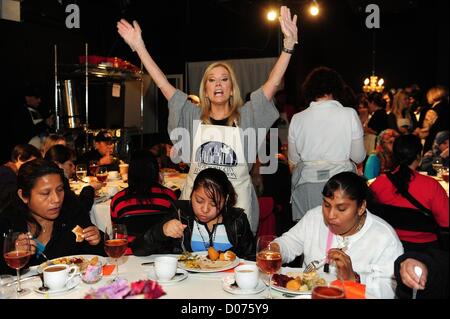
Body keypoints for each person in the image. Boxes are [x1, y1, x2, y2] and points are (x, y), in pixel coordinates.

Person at [117, 6, 298, 234]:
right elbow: (163, 83)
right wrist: (139, 47)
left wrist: (288, 45)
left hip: (236, 210)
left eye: (224, 79)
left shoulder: (247, 116)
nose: (218, 84)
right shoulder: (192, 115)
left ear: (232, 89)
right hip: (196, 210)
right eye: (212, 80)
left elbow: (272, 83)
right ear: (206, 89)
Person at [274, 172, 403, 299]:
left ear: (361, 207)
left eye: (341, 209)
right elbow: (289, 243)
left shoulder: (384, 237)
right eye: (326, 205)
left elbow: (390, 290)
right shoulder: (314, 217)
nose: (330, 215)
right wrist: (275, 249)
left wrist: (353, 279)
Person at [288, 67, 366, 221]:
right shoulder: (349, 114)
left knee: (309, 239)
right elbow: (358, 156)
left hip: (307, 185)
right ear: (336, 88)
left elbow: (293, 159)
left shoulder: (297, 118)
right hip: (341, 186)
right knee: (340, 237)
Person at [0, 159, 104, 274]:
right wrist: (14, 255)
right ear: (23, 196)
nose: (56, 199)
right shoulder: (8, 223)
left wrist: (97, 241)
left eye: (59, 190)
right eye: (45, 193)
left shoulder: (72, 213)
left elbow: (99, 257)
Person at [131, 168, 255, 260]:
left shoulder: (237, 220)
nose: (205, 209)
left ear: (226, 200)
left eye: (214, 204)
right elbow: (137, 249)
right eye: (199, 201)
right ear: (191, 194)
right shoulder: (180, 215)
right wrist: (161, 231)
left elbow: (252, 258)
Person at [370, 134, 449, 251]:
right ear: (418, 156)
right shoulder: (431, 186)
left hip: (388, 245)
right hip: (426, 249)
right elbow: (446, 222)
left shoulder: (378, 184)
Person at [110, 150, 177, 244]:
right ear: (156, 170)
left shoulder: (118, 200)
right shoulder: (169, 196)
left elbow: (116, 233)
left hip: (129, 253)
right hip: (161, 253)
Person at [44, 145, 101, 213]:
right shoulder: (60, 183)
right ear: (58, 165)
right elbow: (80, 209)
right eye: (70, 165)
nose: (74, 170)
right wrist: (90, 188)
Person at [0, 144, 41, 210]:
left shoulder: (12, 172)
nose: (34, 167)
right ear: (20, 158)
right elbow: (10, 202)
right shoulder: (6, 174)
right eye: (32, 162)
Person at [414, 85, 449, 153]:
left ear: (432, 96)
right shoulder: (446, 107)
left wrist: (417, 131)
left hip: (435, 144)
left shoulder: (432, 111)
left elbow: (425, 132)